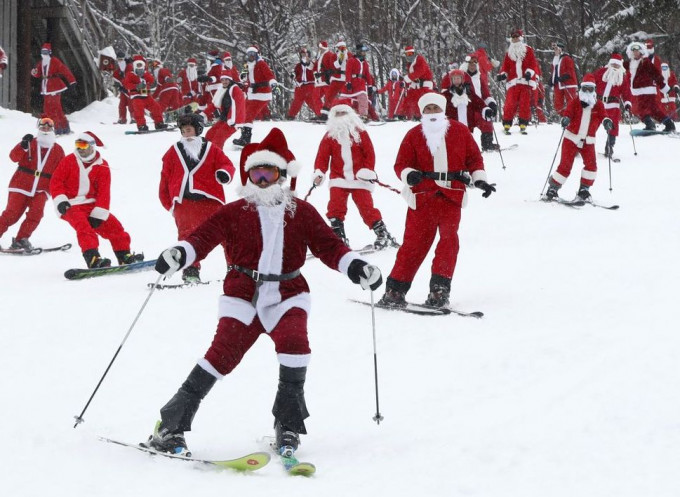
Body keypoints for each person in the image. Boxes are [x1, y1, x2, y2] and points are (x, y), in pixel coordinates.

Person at [144, 127, 382, 457]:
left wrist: (357, 268)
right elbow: (202, 238)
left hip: (288, 293)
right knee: (220, 357)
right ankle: (169, 427)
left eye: (268, 173)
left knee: (295, 347)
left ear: (281, 175)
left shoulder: (301, 211)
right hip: (242, 293)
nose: (261, 180)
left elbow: (331, 247)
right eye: (255, 173)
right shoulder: (234, 211)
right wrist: (180, 254)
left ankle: (287, 427)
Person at [378, 93, 495, 309]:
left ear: (443, 110)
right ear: (423, 112)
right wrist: (408, 174)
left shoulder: (460, 131)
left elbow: (474, 158)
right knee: (413, 245)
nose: (432, 113)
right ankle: (395, 290)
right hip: (422, 198)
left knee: (448, 243)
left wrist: (480, 180)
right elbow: (401, 163)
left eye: (435, 108)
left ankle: (439, 291)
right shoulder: (413, 135)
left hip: (451, 196)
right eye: (428, 109)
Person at [159, 113, 235, 283]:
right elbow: (165, 177)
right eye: (183, 131)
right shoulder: (173, 152)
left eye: (189, 130)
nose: (187, 134)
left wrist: (224, 174)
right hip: (184, 203)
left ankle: (234, 267)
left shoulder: (211, 149)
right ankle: (191, 271)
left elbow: (227, 165)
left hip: (211, 201)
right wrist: (169, 202)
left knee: (226, 233)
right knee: (188, 238)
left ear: (199, 130)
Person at [312, 103, 399, 250]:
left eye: (343, 114)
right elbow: (322, 156)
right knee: (335, 207)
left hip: (360, 179)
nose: (341, 118)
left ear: (350, 115)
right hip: (339, 179)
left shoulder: (360, 133)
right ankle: (337, 236)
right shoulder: (329, 136)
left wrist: (368, 170)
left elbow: (369, 153)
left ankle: (383, 233)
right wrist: (319, 172)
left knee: (366, 207)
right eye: (337, 114)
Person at [50, 132, 143, 268]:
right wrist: (60, 200)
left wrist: (99, 213)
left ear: (92, 146)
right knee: (84, 228)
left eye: (83, 144)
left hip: (92, 206)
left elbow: (103, 192)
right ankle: (93, 259)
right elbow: (56, 181)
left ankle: (124, 256)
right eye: (77, 144)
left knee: (114, 227)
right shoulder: (68, 161)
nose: (80, 148)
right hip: (71, 205)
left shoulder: (102, 165)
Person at [544, 75, 611, 203]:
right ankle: (553, 188)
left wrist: (607, 121)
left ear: (594, 90)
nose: (587, 92)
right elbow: (568, 112)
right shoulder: (575, 102)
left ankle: (584, 190)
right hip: (571, 139)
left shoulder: (598, 105)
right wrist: (566, 119)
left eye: (590, 89)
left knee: (591, 166)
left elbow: (604, 116)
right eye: (585, 89)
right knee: (565, 165)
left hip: (588, 141)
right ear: (580, 89)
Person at [0, 117, 65, 250]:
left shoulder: (58, 150)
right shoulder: (29, 143)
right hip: (21, 184)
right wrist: (22, 146)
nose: (45, 129)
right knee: (11, 214)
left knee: (36, 214)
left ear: (53, 129)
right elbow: (13, 157)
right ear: (38, 128)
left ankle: (21, 239)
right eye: (43, 126)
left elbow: (62, 173)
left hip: (42, 188)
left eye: (48, 127)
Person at [624, 41, 675, 132]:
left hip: (648, 90)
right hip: (638, 91)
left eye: (637, 51)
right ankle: (668, 124)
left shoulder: (645, 62)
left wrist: (663, 86)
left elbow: (656, 74)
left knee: (642, 109)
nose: (635, 53)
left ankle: (650, 124)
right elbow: (621, 66)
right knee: (654, 110)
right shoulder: (631, 63)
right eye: (634, 51)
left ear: (641, 52)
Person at [233, 46, 277, 146]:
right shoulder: (248, 65)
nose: (251, 56)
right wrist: (243, 83)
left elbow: (269, 75)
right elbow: (249, 80)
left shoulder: (261, 63)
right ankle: (243, 137)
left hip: (262, 94)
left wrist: (273, 83)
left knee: (248, 115)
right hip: (252, 93)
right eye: (249, 54)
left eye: (253, 54)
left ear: (257, 54)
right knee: (243, 112)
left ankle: (246, 139)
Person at [497, 29, 539, 135]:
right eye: (513, 37)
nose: (515, 39)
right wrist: (503, 75)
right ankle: (507, 123)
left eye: (517, 37)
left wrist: (529, 73)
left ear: (520, 38)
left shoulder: (528, 50)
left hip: (525, 82)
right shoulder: (509, 52)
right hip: (513, 82)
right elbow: (505, 66)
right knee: (510, 103)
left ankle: (523, 123)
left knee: (524, 104)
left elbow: (533, 64)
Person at [592, 53, 633, 158]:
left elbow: (626, 93)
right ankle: (582, 144)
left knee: (612, 127)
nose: (615, 67)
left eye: (617, 65)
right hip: (599, 104)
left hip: (613, 106)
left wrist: (627, 105)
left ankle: (609, 146)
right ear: (610, 64)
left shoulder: (622, 78)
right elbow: (591, 80)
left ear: (620, 66)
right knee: (591, 126)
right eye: (613, 64)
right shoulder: (601, 72)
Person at [30, 43, 76, 135]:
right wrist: (34, 72)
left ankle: (57, 128)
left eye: (46, 52)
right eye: (42, 52)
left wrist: (72, 81)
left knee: (52, 108)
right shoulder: (41, 62)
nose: (44, 54)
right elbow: (37, 73)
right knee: (53, 108)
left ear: (49, 52)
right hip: (46, 87)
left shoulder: (54, 61)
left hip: (55, 86)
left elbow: (64, 70)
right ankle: (64, 127)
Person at [461, 54, 499, 151]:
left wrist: (491, 103)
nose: (472, 65)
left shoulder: (479, 78)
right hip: (466, 108)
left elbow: (485, 94)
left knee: (486, 122)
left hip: (478, 107)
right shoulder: (461, 76)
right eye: (470, 63)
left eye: (475, 62)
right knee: (464, 128)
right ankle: (464, 147)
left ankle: (487, 144)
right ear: (466, 64)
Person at [123, 55, 167, 132]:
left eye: (141, 65)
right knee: (139, 110)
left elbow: (152, 80)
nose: (139, 66)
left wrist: (144, 75)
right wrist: (136, 86)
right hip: (136, 96)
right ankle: (141, 125)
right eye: (137, 65)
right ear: (134, 65)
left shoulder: (146, 73)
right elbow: (126, 85)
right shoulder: (130, 74)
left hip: (146, 96)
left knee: (156, 107)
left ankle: (159, 123)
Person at [204, 72, 246, 149]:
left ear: (230, 80)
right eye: (222, 80)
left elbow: (237, 106)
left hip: (234, 120)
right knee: (210, 134)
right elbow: (215, 104)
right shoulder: (222, 89)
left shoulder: (235, 89)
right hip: (225, 119)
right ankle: (207, 154)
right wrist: (204, 114)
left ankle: (217, 158)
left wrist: (232, 120)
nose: (224, 82)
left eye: (226, 79)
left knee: (219, 138)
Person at [398, 46, 434, 119]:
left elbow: (420, 71)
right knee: (409, 97)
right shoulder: (409, 64)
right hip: (415, 84)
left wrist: (408, 78)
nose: (409, 55)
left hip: (424, 84)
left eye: (411, 53)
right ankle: (403, 114)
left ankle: (421, 115)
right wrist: (405, 82)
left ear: (414, 53)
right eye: (408, 54)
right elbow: (412, 76)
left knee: (422, 99)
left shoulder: (420, 59)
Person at [287, 47, 322, 119]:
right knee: (296, 102)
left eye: (305, 55)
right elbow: (295, 72)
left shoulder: (311, 64)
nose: (304, 57)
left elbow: (314, 69)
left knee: (313, 102)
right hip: (300, 87)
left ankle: (320, 115)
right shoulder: (298, 66)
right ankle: (291, 116)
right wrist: (293, 75)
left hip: (310, 86)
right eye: (302, 55)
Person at [549, 41, 578, 117]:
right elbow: (554, 71)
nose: (555, 51)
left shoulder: (566, 58)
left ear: (560, 49)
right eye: (554, 49)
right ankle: (562, 116)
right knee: (558, 101)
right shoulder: (555, 59)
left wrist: (565, 76)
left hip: (568, 83)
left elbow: (570, 70)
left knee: (571, 100)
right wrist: (551, 79)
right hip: (557, 83)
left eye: (556, 49)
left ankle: (572, 115)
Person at [314, 40, 337, 120]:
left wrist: (329, 75)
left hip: (326, 81)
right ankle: (321, 113)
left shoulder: (329, 55)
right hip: (319, 81)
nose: (320, 49)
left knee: (329, 98)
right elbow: (315, 67)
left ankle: (333, 114)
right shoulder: (320, 56)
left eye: (320, 47)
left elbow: (333, 67)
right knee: (316, 97)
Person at [112, 51, 134, 124]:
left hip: (130, 89)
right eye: (118, 59)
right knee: (122, 104)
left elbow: (129, 78)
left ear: (124, 59)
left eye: (121, 59)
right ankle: (122, 118)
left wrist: (125, 86)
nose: (120, 61)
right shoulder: (119, 69)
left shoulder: (130, 67)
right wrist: (119, 84)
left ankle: (134, 118)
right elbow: (116, 75)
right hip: (123, 89)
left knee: (131, 104)